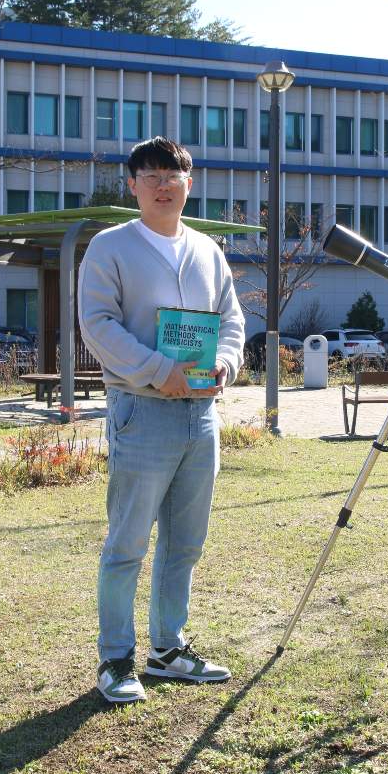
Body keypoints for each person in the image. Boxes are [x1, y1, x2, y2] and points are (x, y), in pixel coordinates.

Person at [78, 136, 245, 704]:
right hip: (141, 410)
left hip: (201, 413)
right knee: (127, 542)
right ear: (133, 185)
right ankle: (115, 658)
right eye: (150, 176)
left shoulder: (207, 250)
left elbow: (231, 320)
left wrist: (224, 364)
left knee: (185, 542)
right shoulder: (110, 247)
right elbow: (98, 324)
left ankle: (168, 649)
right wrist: (158, 370)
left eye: (172, 175)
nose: (162, 185)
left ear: (188, 184)